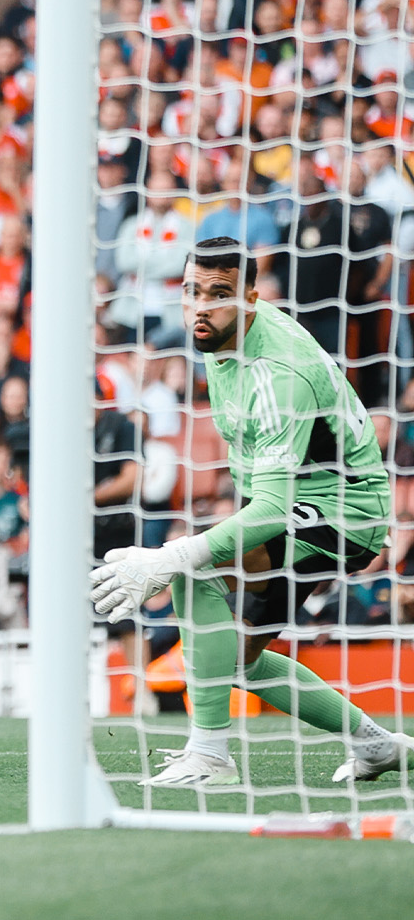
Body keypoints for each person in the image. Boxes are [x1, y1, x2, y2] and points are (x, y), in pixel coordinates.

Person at [90, 237, 412, 788]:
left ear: (252, 298)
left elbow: (271, 510)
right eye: (193, 291)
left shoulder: (278, 371)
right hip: (298, 502)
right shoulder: (219, 343)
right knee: (235, 657)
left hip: (342, 513)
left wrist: (170, 553)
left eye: (219, 294)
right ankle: (378, 746)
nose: (201, 306)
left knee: (192, 568)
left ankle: (211, 754)